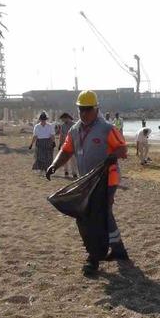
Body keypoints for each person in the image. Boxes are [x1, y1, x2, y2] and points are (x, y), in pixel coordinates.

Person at [46, 90, 130, 274]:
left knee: (94, 215)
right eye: (80, 109)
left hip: (108, 179)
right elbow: (67, 150)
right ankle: (118, 250)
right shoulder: (74, 130)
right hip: (87, 181)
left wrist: (111, 156)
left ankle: (93, 257)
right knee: (102, 213)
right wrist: (54, 165)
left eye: (87, 109)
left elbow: (123, 150)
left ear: (96, 109)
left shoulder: (107, 128)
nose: (83, 113)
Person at [57, 113, 77, 178]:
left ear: (67, 118)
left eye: (63, 119)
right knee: (64, 159)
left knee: (73, 159)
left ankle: (74, 172)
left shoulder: (75, 125)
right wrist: (60, 144)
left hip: (73, 144)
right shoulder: (63, 126)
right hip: (65, 144)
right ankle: (66, 171)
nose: (62, 120)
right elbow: (61, 135)